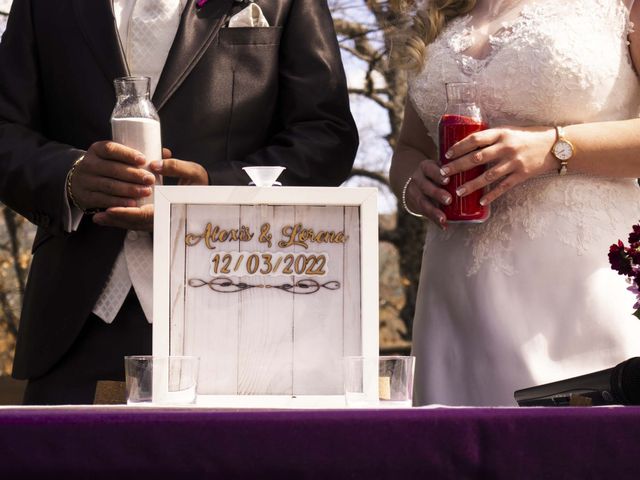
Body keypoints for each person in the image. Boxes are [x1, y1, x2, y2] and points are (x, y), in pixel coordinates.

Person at [0, 0, 358, 404]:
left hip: (243, 306)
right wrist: (68, 176)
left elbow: (326, 134)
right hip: (76, 319)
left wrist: (215, 191)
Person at [390, 0, 640, 406]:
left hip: (581, 286)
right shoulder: (439, 16)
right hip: (455, 298)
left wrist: (555, 147)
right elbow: (409, 149)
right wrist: (413, 185)